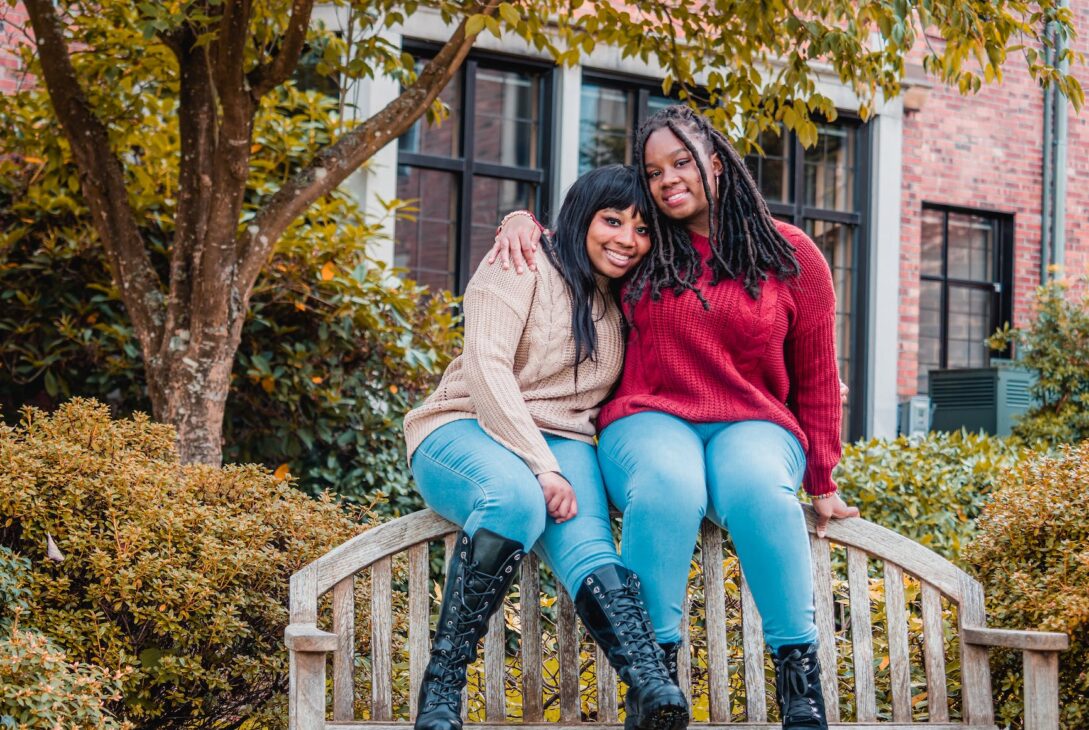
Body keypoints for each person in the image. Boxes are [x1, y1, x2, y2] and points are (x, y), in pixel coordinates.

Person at [489, 106, 860, 730]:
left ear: (716, 163)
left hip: (755, 421)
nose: (667, 181)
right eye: (654, 171)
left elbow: (819, 374)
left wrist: (821, 480)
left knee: (759, 491)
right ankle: (652, 681)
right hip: (648, 414)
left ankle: (801, 688)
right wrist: (519, 218)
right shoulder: (645, 243)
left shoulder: (791, 254)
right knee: (668, 486)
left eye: (681, 163)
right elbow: (580, 234)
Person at [404, 165, 688, 730]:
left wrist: (806, 381)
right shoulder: (520, 262)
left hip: (566, 440)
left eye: (641, 228)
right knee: (515, 499)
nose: (627, 240)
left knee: (591, 552)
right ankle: (441, 691)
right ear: (583, 217)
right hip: (465, 424)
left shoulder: (626, 294)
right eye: (612, 221)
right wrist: (541, 465)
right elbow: (487, 369)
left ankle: (653, 688)